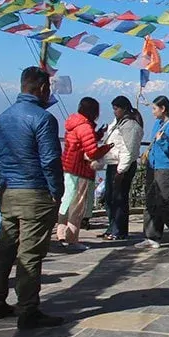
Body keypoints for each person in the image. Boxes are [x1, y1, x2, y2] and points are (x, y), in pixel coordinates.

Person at [0, 66, 65, 329]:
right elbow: (50, 160)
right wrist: (57, 191)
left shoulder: (3, 117)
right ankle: (28, 309)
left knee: (4, 248)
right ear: (42, 88)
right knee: (30, 252)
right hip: (35, 192)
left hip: (8, 191)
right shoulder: (43, 119)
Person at [57, 98, 112, 250]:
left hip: (68, 168)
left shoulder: (74, 124)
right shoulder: (85, 127)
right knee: (77, 207)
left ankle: (61, 234)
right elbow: (92, 152)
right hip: (80, 171)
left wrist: (98, 134)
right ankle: (72, 239)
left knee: (65, 203)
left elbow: (84, 141)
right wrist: (106, 148)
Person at [137, 95, 169, 250]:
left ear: (163, 109)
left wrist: (163, 142)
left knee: (163, 203)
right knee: (150, 203)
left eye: (155, 108)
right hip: (153, 166)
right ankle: (152, 236)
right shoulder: (157, 124)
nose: (153, 111)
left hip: (167, 168)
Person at [99, 96, 143, 241]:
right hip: (113, 163)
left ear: (124, 109)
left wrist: (121, 169)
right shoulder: (117, 123)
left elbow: (129, 149)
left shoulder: (130, 125)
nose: (114, 112)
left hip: (122, 165)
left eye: (116, 109)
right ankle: (112, 227)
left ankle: (119, 230)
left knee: (119, 198)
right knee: (109, 198)